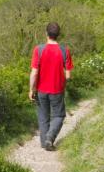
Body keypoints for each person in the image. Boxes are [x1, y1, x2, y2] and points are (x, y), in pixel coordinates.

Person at [28, 22, 73, 151]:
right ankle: (50, 138)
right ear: (58, 35)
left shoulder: (39, 49)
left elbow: (34, 72)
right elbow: (68, 75)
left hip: (41, 90)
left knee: (43, 117)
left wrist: (31, 89)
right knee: (59, 115)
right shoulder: (65, 51)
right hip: (57, 90)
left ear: (46, 33)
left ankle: (44, 142)